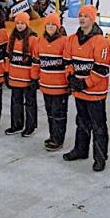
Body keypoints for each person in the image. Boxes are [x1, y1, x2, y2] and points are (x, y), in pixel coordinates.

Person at [62, 5, 110, 172]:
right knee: (81, 121)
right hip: (79, 91)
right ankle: (80, 150)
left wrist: (85, 83)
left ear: (93, 19)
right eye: (80, 15)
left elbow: (101, 69)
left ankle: (100, 157)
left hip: (95, 92)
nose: (82, 18)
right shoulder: (72, 39)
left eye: (86, 16)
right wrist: (70, 77)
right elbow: (67, 60)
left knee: (98, 125)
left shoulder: (101, 41)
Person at [35, 13, 69, 151]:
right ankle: (52, 135)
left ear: (58, 26)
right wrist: (35, 78)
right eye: (48, 24)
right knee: (50, 112)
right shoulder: (40, 41)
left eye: (53, 24)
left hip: (60, 86)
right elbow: (36, 61)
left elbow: (68, 63)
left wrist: (70, 82)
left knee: (59, 113)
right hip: (46, 85)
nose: (50, 27)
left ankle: (58, 139)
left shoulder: (64, 41)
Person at [4, 12, 39, 137]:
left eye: (22, 23)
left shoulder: (33, 39)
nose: (19, 26)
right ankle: (16, 125)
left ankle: (30, 126)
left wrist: (35, 78)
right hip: (15, 77)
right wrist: (6, 73)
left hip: (28, 78)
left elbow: (36, 59)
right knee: (16, 102)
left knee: (30, 103)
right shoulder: (11, 38)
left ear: (27, 24)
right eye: (18, 23)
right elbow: (8, 57)